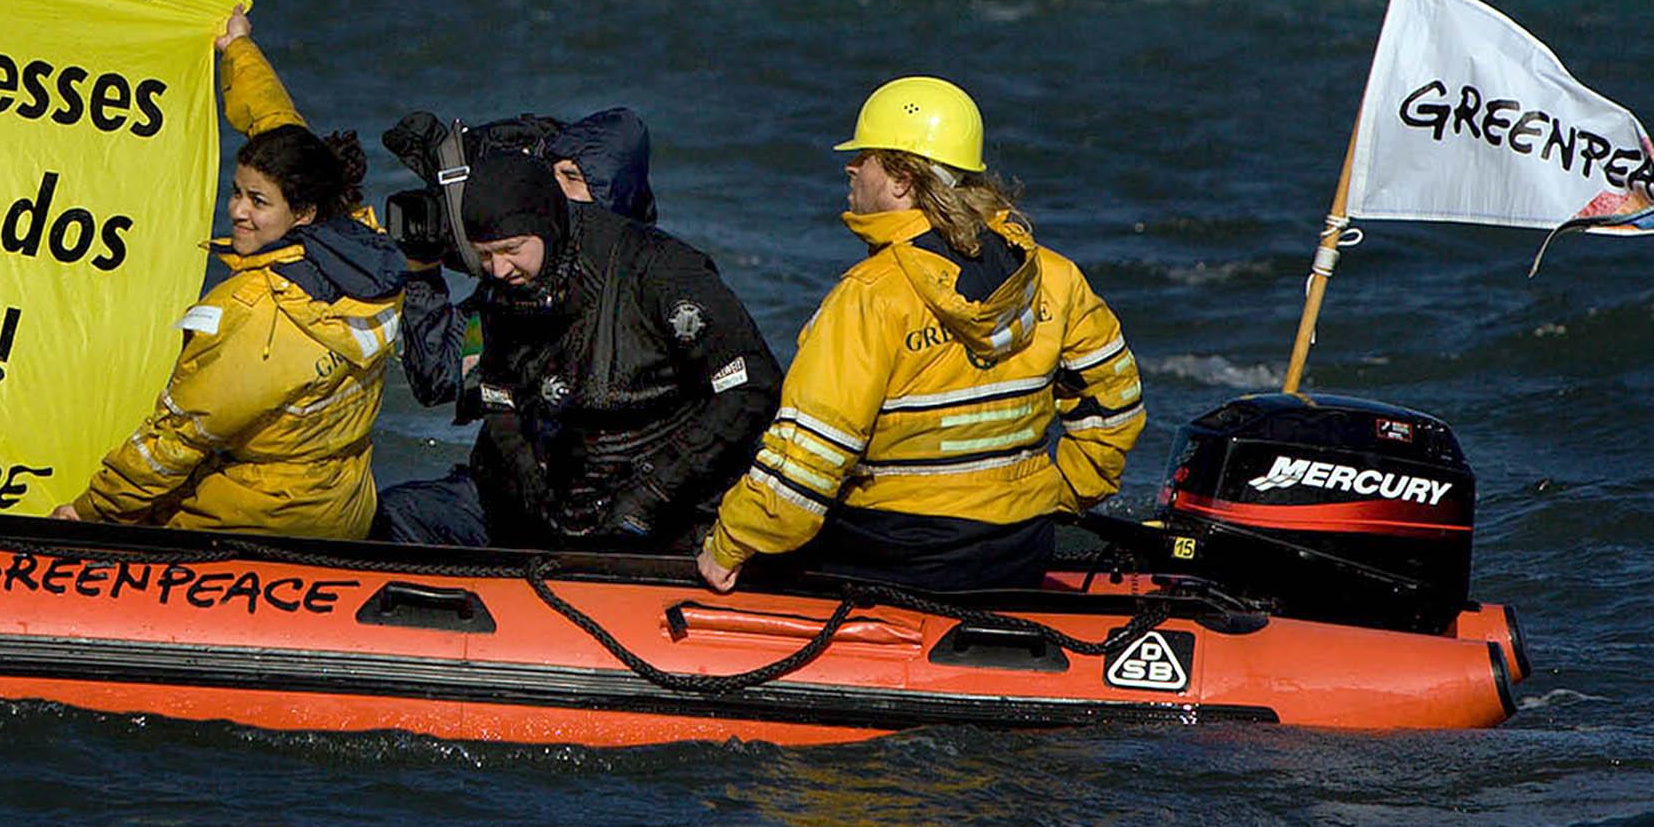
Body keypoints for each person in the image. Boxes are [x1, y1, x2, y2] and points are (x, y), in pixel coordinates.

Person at [696, 76, 1146, 595]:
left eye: (865, 157)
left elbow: (810, 455)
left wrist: (731, 542)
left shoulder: (870, 296)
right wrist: (1059, 493)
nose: (851, 167)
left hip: (895, 552)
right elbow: (1116, 409)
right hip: (1019, 548)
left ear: (902, 181)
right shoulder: (1055, 276)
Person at [51, 11, 406, 540]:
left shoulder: (255, 312)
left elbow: (177, 438)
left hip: (266, 516)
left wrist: (88, 512)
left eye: (257, 201)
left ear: (301, 213)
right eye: (237, 191)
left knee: (154, 494)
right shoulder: (362, 241)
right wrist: (239, 51)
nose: (237, 211)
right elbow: (277, 124)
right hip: (345, 504)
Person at [378, 148, 781, 551]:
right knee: (394, 515)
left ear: (546, 225)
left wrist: (650, 495)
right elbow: (494, 396)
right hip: (545, 503)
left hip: (665, 507)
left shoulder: (660, 272)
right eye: (484, 255)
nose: (499, 269)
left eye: (512, 249)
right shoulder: (500, 289)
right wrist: (532, 488)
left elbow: (751, 386)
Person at [387, 105, 658, 413]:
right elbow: (437, 379)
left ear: (612, 191)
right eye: (551, 172)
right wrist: (423, 271)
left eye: (571, 177)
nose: (555, 188)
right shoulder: (517, 282)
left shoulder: (650, 282)